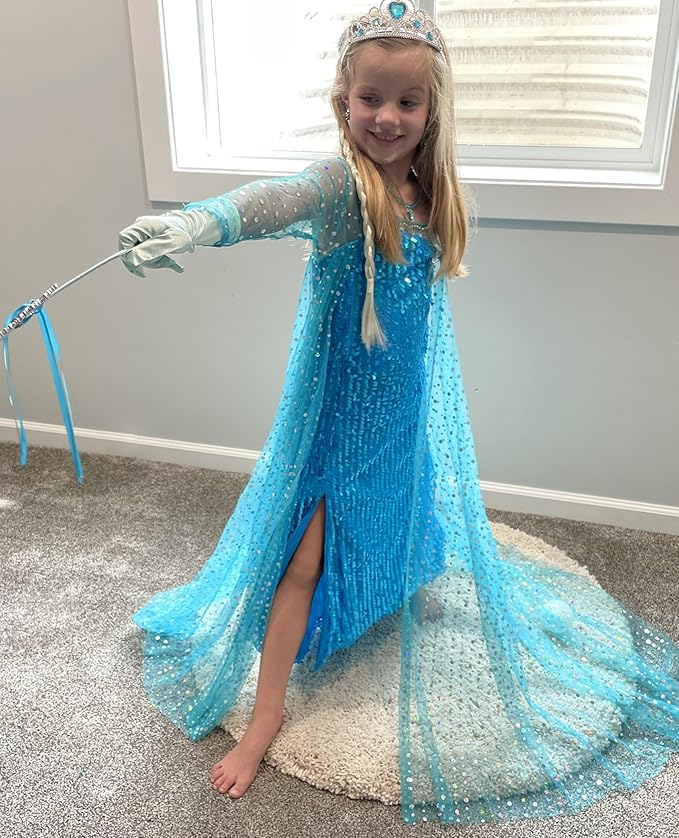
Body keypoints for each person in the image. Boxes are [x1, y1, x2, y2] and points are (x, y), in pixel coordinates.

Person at [119, 1, 679, 826]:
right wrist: (194, 222)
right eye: (369, 98)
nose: (385, 117)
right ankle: (268, 714)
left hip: (402, 405)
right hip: (336, 418)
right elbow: (270, 199)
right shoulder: (339, 189)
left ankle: (405, 583)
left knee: (409, 504)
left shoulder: (429, 189)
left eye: (406, 102)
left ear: (431, 110)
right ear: (342, 101)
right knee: (303, 561)